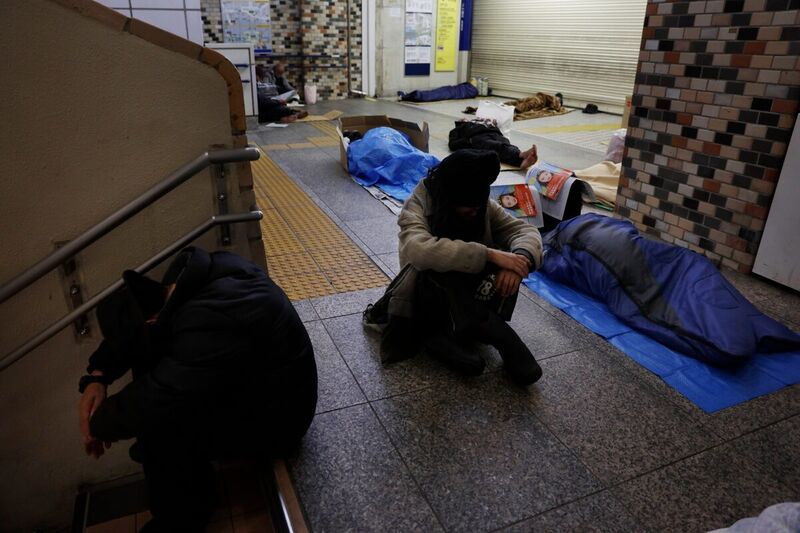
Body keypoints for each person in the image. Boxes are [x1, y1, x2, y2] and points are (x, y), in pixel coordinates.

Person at [77, 247, 318, 532]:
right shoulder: (188, 276)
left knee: (164, 424)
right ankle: (193, 496)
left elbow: (159, 397)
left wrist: (98, 425)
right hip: (263, 384)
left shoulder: (214, 318)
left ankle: (181, 520)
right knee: (155, 377)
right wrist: (97, 376)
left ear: (152, 321)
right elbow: (136, 339)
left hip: (282, 418)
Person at [363, 150, 544, 385]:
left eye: (477, 206)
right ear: (450, 198)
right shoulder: (418, 204)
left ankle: (465, 331)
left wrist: (518, 261)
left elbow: (524, 231)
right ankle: (490, 333)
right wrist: (489, 254)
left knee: (509, 260)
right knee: (437, 264)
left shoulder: (479, 205)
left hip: (467, 295)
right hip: (425, 299)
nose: (474, 212)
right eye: (467, 207)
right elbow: (417, 250)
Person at [448, 118, 539, 168]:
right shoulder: (458, 129)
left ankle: (522, 161)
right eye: (461, 119)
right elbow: (452, 144)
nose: (464, 118)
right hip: (478, 137)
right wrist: (469, 141)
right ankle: (521, 156)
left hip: (495, 134)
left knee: (504, 145)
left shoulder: (480, 120)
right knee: (496, 146)